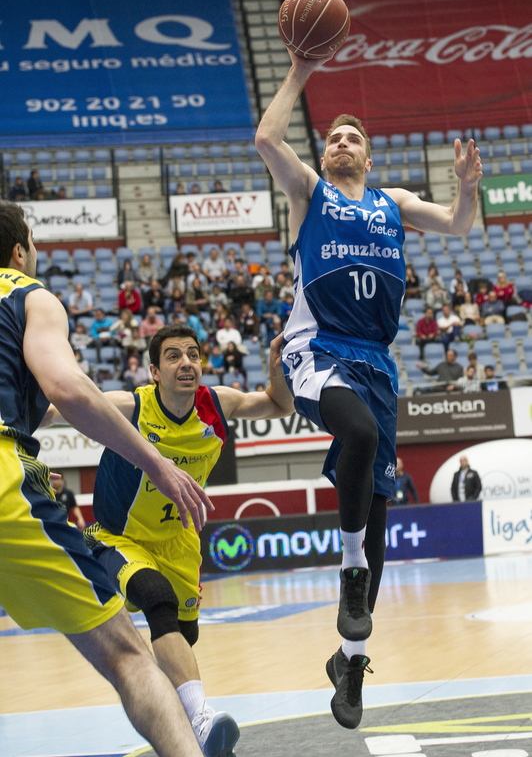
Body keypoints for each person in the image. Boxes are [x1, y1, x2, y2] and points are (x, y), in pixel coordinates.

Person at [255, 47, 482, 730]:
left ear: (371, 157)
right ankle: (350, 569)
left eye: (353, 137)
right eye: (333, 138)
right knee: (353, 433)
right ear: (323, 158)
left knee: (377, 513)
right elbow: (268, 137)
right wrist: (299, 70)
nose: (341, 142)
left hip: (376, 361)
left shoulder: (393, 204)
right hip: (318, 349)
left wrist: (468, 186)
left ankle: (350, 662)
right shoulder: (308, 194)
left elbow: (460, 224)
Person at [0, 201, 211, 757]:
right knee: (127, 656)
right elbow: (67, 389)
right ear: (20, 249)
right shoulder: (27, 294)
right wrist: (155, 461)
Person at [48, 324, 294, 757]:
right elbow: (56, 409)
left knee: (183, 637)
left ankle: (180, 723)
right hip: (118, 537)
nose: (187, 363)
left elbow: (277, 405)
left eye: (193, 354)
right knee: (155, 600)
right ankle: (200, 718)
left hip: (179, 542)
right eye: (174, 356)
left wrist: (277, 372)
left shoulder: (218, 403)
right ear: (154, 371)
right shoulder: (131, 407)